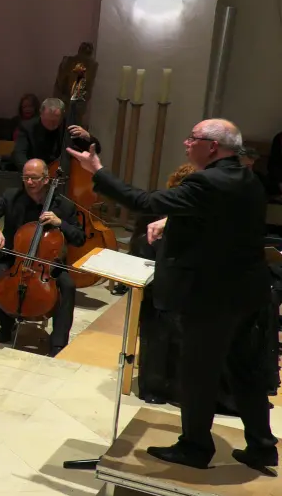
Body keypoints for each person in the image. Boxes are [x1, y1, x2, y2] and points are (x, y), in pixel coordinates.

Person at [69, 119, 279, 472]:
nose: (185, 143)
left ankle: (195, 447)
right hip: (249, 292)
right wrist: (171, 221)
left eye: (192, 138)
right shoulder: (247, 177)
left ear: (212, 146)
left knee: (198, 374)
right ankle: (261, 445)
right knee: (245, 371)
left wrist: (98, 171)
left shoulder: (207, 181)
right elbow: (220, 222)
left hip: (212, 298)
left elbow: (144, 200)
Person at [0, 158, 86, 353]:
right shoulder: (11, 196)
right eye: (26, 178)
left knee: (67, 286)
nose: (29, 182)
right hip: (12, 257)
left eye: (34, 178)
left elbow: (80, 238)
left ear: (46, 179)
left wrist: (61, 223)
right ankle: (7, 324)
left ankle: (58, 341)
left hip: (47, 263)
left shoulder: (63, 205)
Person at [13, 97, 97, 170]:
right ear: (41, 114)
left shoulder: (69, 128)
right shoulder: (27, 127)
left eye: (56, 121)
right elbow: (19, 154)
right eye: (47, 120)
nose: (52, 125)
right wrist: (32, 170)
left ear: (62, 116)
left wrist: (88, 137)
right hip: (36, 177)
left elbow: (96, 150)